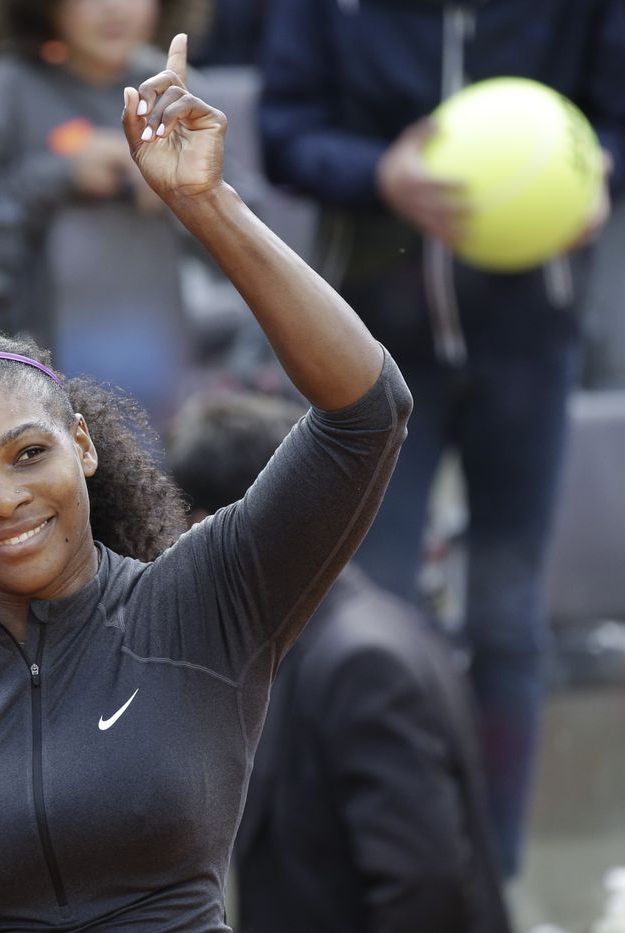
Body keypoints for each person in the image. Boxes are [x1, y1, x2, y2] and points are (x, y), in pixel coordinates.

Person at [0, 34, 412, 930]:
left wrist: (208, 206)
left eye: (28, 453)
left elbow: (367, 412)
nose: (3, 496)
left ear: (83, 446)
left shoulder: (210, 600)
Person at [258, 0, 625, 879]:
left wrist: (596, 175)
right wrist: (378, 174)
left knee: (507, 617)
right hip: (369, 349)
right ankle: (380, 862)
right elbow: (284, 133)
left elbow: (613, 116)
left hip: (527, 342)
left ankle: (487, 871)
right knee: (373, 618)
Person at [167, 391, 511, 932]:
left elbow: (425, 892)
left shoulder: (361, 662)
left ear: (221, 527)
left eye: (184, 531)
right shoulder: (323, 639)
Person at [0, 0, 206, 427]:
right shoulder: (0, 95)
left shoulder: (180, 95)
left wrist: (181, 195)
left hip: (168, 370)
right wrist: (62, 176)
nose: (113, 10)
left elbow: (251, 227)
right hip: (25, 368)